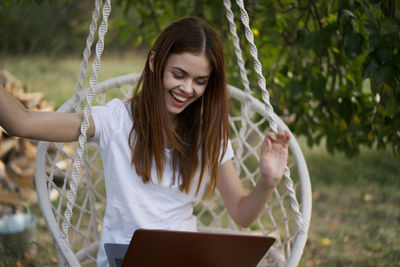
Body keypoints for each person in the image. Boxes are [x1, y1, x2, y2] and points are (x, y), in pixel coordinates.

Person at [0, 17, 290, 266]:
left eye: (200, 81)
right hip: (125, 259)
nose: (186, 89)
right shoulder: (114, 120)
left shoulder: (207, 133)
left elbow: (241, 214)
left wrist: (267, 180)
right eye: (179, 74)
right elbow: (21, 122)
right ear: (154, 61)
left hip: (187, 258)